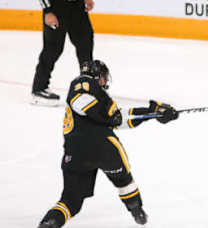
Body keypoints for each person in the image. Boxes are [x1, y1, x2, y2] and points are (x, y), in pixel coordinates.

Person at [37, 60, 179, 228]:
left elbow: (119, 119)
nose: (105, 81)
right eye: (103, 77)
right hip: (103, 146)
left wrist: (152, 113)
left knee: (70, 201)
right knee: (123, 178)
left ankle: (50, 223)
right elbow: (84, 103)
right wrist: (107, 115)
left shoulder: (100, 97)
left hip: (75, 152)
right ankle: (136, 209)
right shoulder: (83, 83)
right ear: (97, 76)